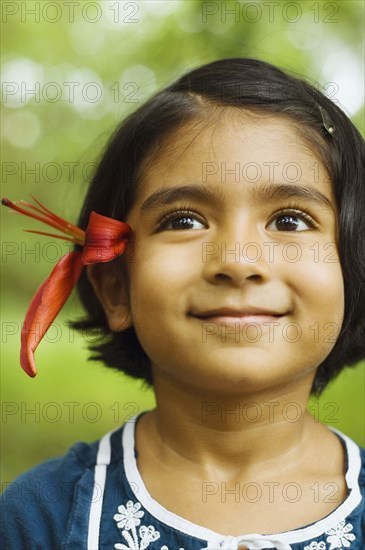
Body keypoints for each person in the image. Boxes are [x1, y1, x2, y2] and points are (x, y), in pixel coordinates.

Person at [1, 58, 364, 550]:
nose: (237, 261)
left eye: (291, 220)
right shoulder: (38, 518)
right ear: (115, 289)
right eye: (184, 221)